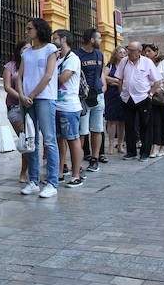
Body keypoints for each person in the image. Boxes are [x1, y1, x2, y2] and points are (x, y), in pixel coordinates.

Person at [17, 18, 61, 199]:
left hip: (43, 98)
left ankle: (52, 183)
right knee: (31, 140)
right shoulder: (26, 53)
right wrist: (21, 95)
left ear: (39, 30)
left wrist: (31, 95)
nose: (26, 31)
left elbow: (49, 76)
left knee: (49, 140)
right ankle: (33, 181)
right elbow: (19, 76)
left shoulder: (50, 49)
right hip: (27, 99)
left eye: (29, 28)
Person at [116, 41, 162, 162]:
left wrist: (150, 94)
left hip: (143, 98)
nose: (128, 52)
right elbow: (119, 79)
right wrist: (121, 93)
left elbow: (157, 81)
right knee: (129, 125)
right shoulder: (124, 61)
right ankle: (131, 151)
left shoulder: (147, 62)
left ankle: (144, 152)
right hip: (127, 98)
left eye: (131, 50)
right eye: (128, 49)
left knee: (145, 126)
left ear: (138, 52)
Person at [53, 30, 84, 188]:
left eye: (55, 38)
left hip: (69, 106)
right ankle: (60, 172)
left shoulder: (73, 59)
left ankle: (76, 174)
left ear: (63, 39)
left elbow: (63, 78)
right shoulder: (58, 58)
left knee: (72, 139)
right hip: (56, 105)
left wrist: (46, 77)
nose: (53, 40)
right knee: (59, 141)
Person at [75, 28, 104, 172]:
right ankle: (78, 162)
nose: (101, 41)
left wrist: (102, 88)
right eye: (99, 38)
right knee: (82, 131)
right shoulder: (77, 55)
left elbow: (100, 74)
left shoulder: (99, 54)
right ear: (91, 40)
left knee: (97, 129)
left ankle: (95, 158)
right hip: (83, 98)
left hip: (98, 96)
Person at [2, 40, 29, 182]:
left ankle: (31, 170)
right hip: (15, 107)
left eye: (29, 49)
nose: (26, 51)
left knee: (31, 140)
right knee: (24, 138)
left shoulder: (32, 65)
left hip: (31, 106)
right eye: (24, 48)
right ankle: (23, 172)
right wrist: (21, 98)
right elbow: (7, 87)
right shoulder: (10, 66)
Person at [144, 44, 164, 157]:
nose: (146, 54)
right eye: (145, 51)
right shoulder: (147, 64)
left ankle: (163, 146)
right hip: (153, 97)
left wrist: (162, 88)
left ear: (156, 52)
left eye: (149, 51)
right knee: (154, 122)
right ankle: (154, 146)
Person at [101, 46, 126, 154]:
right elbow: (103, 76)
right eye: (120, 52)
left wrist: (115, 82)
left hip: (123, 94)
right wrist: (116, 80)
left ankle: (120, 144)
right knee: (111, 121)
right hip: (111, 95)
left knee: (122, 121)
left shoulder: (127, 66)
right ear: (115, 54)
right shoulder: (110, 65)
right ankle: (111, 144)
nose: (122, 54)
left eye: (124, 52)